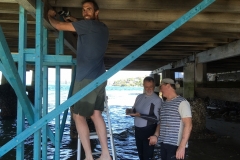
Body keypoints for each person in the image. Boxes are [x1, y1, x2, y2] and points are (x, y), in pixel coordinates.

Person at [48, 1, 112, 160]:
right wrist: (72, 19)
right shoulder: (102, 28)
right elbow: (81, 24)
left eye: (89, 9)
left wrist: (49, 16)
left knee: (77, 116)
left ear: (96, 12)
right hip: (100, 77)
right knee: (96, 115)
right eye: (83, 10)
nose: (85, 12)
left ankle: (89, 156)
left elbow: (58, 26)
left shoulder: (88, 26)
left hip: (86, 78)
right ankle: (105, 154)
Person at [157, 78, 192, 160]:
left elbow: (188, 125)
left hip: (176, 145)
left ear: (168, 85)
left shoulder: (182, 102)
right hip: (163, 143)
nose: (160, 90)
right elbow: (161, 123)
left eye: (161, 87)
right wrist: (156, 135)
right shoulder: (164, 104)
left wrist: (182, 146)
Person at [128, 76, 162, 160]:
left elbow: (157, 119)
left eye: (151, 86)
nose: (149, 89)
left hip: (149, 131)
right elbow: (134, 110)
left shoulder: (157, 100)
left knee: (147, 157)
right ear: (143, 86)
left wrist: (140, 115)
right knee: (141, 155)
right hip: (137, 131)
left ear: (154, 86)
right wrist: (130, 112)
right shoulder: (139, 97)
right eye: (146, 87)